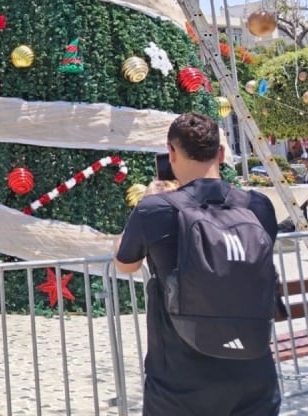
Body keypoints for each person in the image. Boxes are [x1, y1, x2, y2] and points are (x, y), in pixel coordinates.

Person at [114, 113, 280, 416]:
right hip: (254, 369)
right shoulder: (258, 206)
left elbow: (126, 265)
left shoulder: (155, 209)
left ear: (172, 153)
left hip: (180, 377)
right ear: (220, 153)